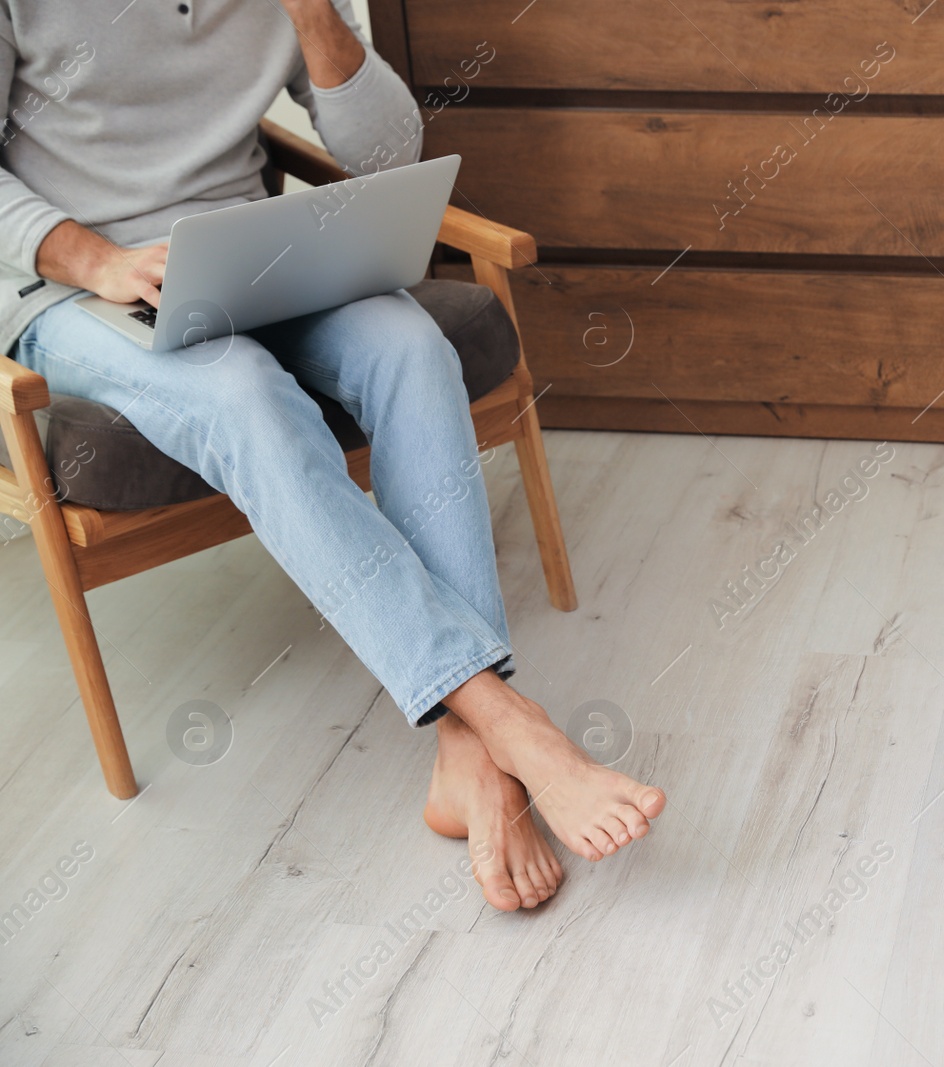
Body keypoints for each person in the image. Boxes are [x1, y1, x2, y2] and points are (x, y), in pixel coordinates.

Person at [0, 0, 664, 911]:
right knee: (244, 396)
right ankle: (509, 720)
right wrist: (91, 256)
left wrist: (315, 13)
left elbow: (389, 153)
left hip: (250, 251)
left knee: (411, 350)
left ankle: (466, 754)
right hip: (70, 289)